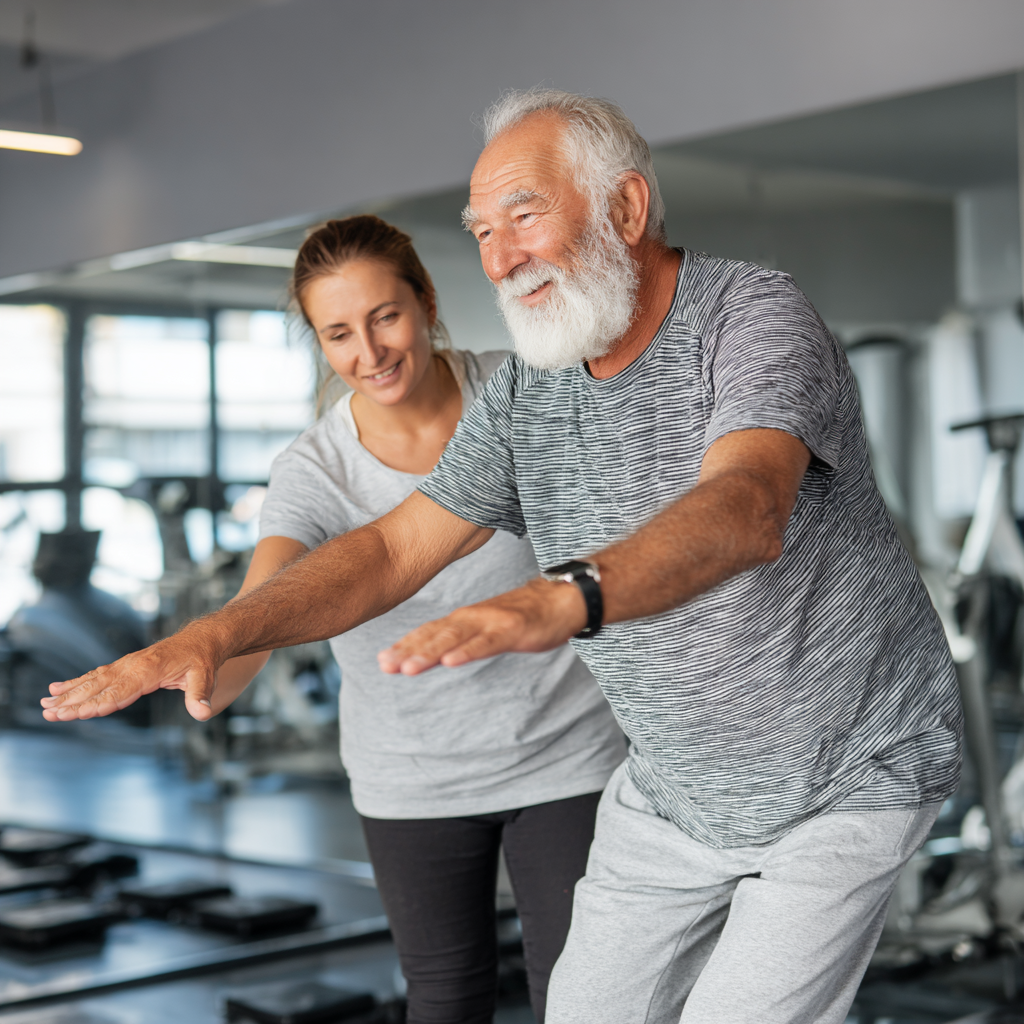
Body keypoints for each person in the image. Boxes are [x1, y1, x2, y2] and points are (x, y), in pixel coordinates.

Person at [43, 92, 962, 1024]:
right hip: (676, 790)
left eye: (525, 215)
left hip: (845, 769)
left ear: (627, 210)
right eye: (481, 230)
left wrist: (560, 601)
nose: (499, 258)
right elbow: (398, 545)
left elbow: (748, 505)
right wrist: (220, 630)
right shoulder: (528, 389)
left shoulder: (750, 315)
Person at [120, 215, 629, 1024]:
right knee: (445, 998)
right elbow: (269, 598)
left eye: (385, 316)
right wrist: (209, 667)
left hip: (568, 754)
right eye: (339, 333)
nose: (370, 352)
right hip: (412, 776)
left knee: (589, 995)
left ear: (424, 300)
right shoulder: (315, 473)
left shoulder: (522, 392)